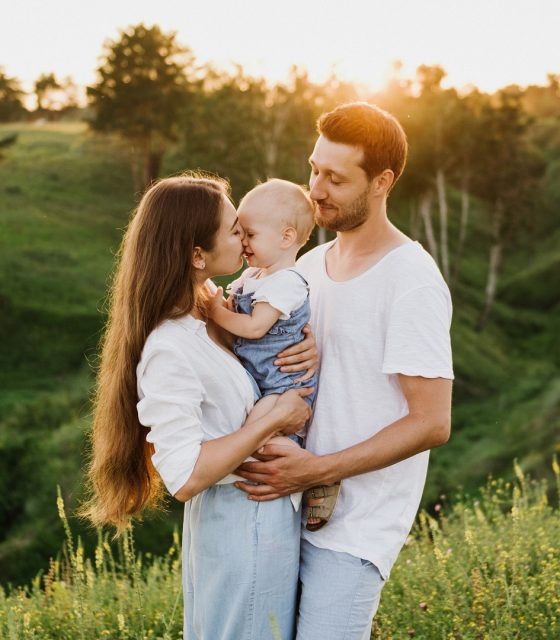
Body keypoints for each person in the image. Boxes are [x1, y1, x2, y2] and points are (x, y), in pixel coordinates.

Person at [235, 102, 454, 640]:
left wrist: (316, 470)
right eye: (314, 169)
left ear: (381, 181)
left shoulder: (412, 280)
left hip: (355, 530)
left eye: (335, 177)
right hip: (285, 510)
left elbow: (432, 423)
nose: (316, 189)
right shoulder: (305, 267)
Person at [82, 174, 318, 640]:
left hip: (267, 513)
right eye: (235, 230)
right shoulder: (169, 346)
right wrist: (274, 417)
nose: (245, 238)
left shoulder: (214, 309)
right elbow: (185, 475)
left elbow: (261, 362)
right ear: (196, 255)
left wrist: (303, 352)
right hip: (238, 520)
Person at [209, 178, 317, 425]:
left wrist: (216, 312)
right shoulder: (253, 275)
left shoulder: (287, 282)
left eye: (251, 234)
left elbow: (254, 327)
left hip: (282, 386)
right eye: (239, 233)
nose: (243, 242)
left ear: (286, 237)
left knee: (254, 432)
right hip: (260, 377)